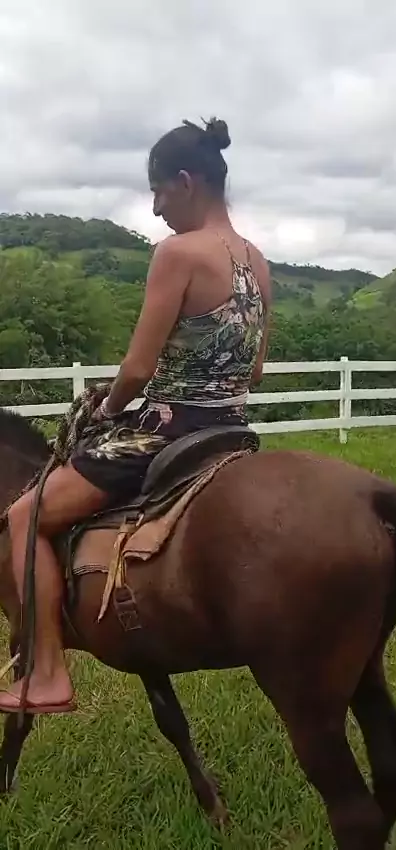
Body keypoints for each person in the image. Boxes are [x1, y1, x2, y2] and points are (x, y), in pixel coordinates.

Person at [0, 117, 271, 714]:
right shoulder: (258, 262)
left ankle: (47, 673)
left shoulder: (177, 253)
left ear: (185, 182)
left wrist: (107, 404)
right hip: (230, 432)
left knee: (25, 515)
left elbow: (138, 369)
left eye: (159, 192)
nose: (155, 209)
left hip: (169, 431)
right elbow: (254, 372)